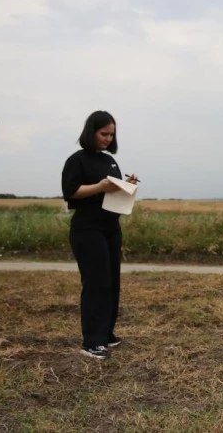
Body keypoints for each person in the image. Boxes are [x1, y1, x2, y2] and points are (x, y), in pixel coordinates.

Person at [61, 110, 138, 359]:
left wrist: (128, 185)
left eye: (111, 135)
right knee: (96, 283)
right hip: (87, 229)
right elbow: (71, 191)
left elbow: (111, 193)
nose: (107, 139)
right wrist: (100, 186)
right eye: (103, 133)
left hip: (110, 228)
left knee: (112, 281)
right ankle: (91, 342)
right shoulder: (77, 160)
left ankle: (106, 334)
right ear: (91, 132)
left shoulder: (110, 162)